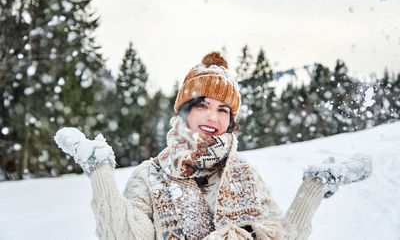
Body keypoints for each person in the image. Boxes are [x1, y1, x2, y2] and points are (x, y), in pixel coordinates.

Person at [54, 52, 371, 240]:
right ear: (185, 110)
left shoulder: (244, 174)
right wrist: (101, 171)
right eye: (203, 105)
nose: (213, 117)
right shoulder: (150, 176)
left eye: (223, 110)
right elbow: (123, 235)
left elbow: (279, 236)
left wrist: (314, 186)